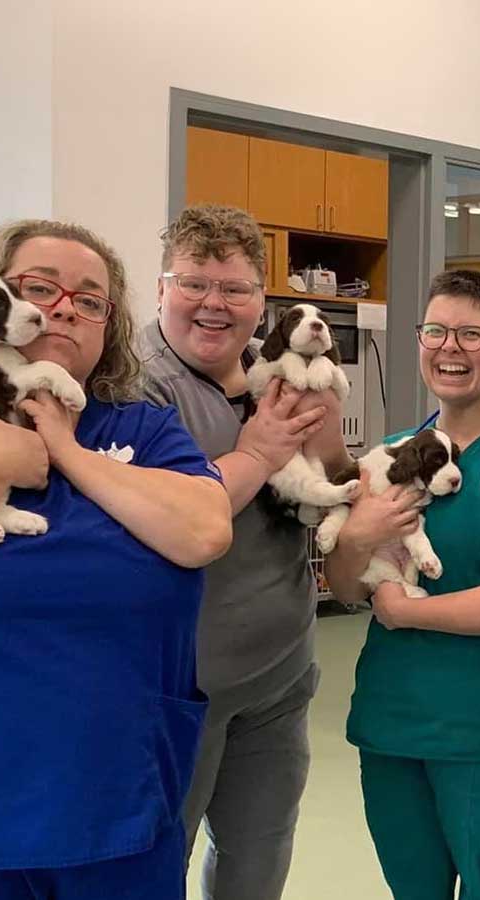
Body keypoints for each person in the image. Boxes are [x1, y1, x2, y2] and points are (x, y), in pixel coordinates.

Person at [0, 219, 230, 898]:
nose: (62, 307)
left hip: (111, 803)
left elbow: (203, 531)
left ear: (108, 328)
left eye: (90, 300)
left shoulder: (143, 430)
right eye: (39, 287)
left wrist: (65, 448)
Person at [138, 204, 351, 900]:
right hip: (172, 689)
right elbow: (176, 520)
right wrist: (257, 455)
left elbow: (326, 473)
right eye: (194, 283)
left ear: (263, 303)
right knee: (151, 862)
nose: (214, 305)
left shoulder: (276, 375)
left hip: (279, 677)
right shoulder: (138, 387)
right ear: (162, 287)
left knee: (257, 860)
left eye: (235, 289)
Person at [323, 269, 480, 900]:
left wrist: (404, 611)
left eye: (471, 334)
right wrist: (358, 536)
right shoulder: (395, 453)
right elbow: (344, 587)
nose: (450, 347)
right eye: (436, 331)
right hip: (392, 720)